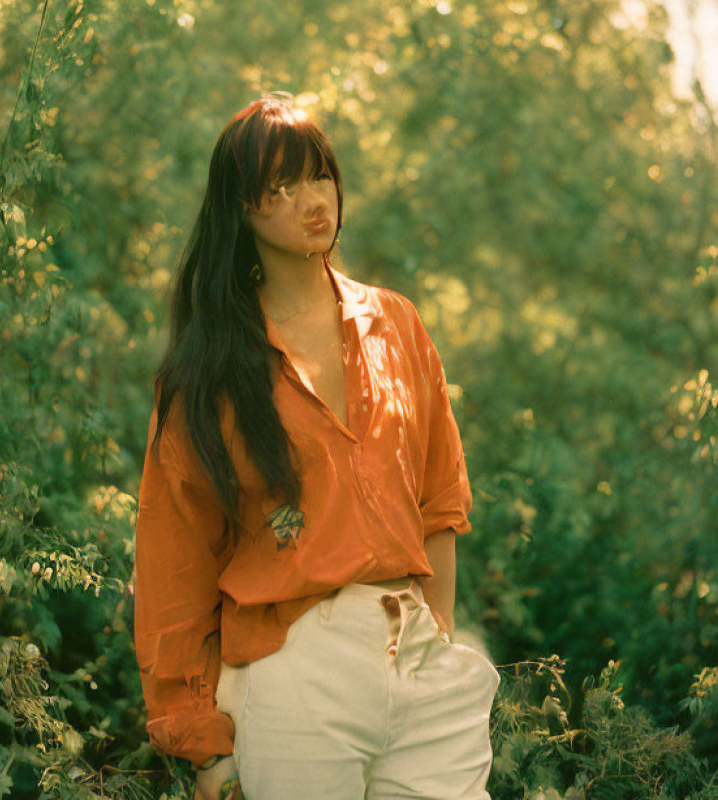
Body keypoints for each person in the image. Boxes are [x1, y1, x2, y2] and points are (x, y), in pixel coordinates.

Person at [132, 93, 500, 800]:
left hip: (416, 657)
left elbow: (439, 497)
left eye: (320, 175)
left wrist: (440, 640)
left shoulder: (395, 323)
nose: (312, 199)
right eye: (282, 185)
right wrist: (200, 741)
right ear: (242, 208)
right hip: (294, 668)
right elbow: (172, 562)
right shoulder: (208, 371)